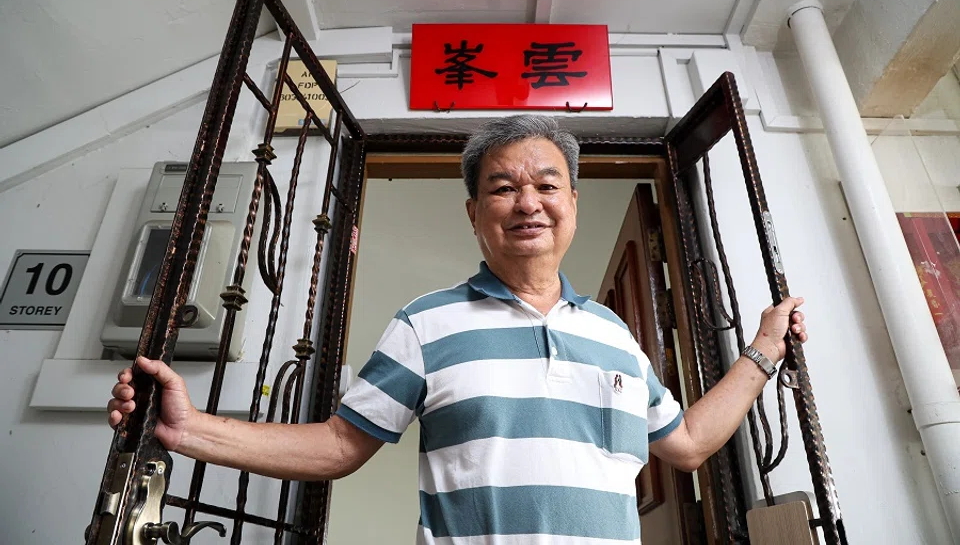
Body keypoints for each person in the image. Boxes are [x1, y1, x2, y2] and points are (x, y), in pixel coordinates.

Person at [109, 115, 807, 544]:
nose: (527, 201)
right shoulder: (427, 322)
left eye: (546, 184)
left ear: (573, 203)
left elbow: (684, 445)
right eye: (503, 187)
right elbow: (339, 445)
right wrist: (187, 430)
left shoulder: (615, 335)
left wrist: (764, 350)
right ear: (475, 214)